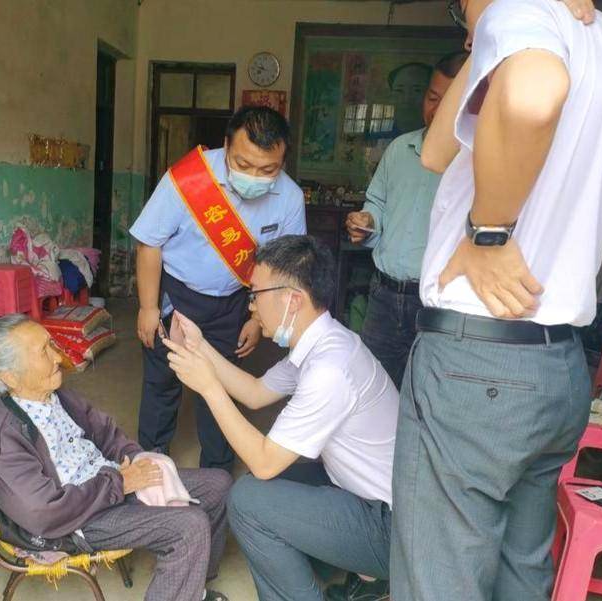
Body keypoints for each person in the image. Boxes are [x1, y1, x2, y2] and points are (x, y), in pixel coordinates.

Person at [390, 0, 602, 599]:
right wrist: (483, 44)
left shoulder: (520, 12)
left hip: (479, 361)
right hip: (557, 365)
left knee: (441, 580)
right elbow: (435, 153)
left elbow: (534, 95)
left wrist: (490, 231)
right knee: (521, 571)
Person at [161, 235, 399, 601]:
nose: (251, 307)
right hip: (363, 494)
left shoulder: (330, 369)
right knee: (267, 486)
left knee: (248, 500)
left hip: (392, 528)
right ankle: (360, 577)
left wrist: (208, 388)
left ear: (292, 299)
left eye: (255, 294)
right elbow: (255, 392)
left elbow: (264, 462)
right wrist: (200, 346)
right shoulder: (323, 341)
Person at [0, 315, 231, 601]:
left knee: (218, 485)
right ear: (9, 377)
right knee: (188, 527)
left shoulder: (56, 395)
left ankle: (192, 588)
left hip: (109, 482)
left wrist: (135, 458)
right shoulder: (1, 437)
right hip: (76, 520)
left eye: (51, 344)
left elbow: (105, 433)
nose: (58, 356)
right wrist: (119, 484)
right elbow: (43, 513)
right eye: (43, 351)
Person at [130, 106, 307, 472]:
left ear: (283, 161)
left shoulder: (290, 197)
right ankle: (152, 462)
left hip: (235, 302)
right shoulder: (189, 179)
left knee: (222, 386)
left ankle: (217, 472)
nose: (254, 176)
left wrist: (257, 320)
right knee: (162, 381)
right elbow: (149, 243)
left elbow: (283, 268)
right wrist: (148, 307)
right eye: (243, 164)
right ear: (226, 146)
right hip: (176, 293)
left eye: (268, 170)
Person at [345, 50, 468, 389]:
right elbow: (377, 202)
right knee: (372, 387)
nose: (437, 110)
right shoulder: (400, 149)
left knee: (426, 391)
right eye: (432, 98)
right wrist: (367, 221)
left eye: (450, 101)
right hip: (383, 295)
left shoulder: (475, 163)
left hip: (436, 304)